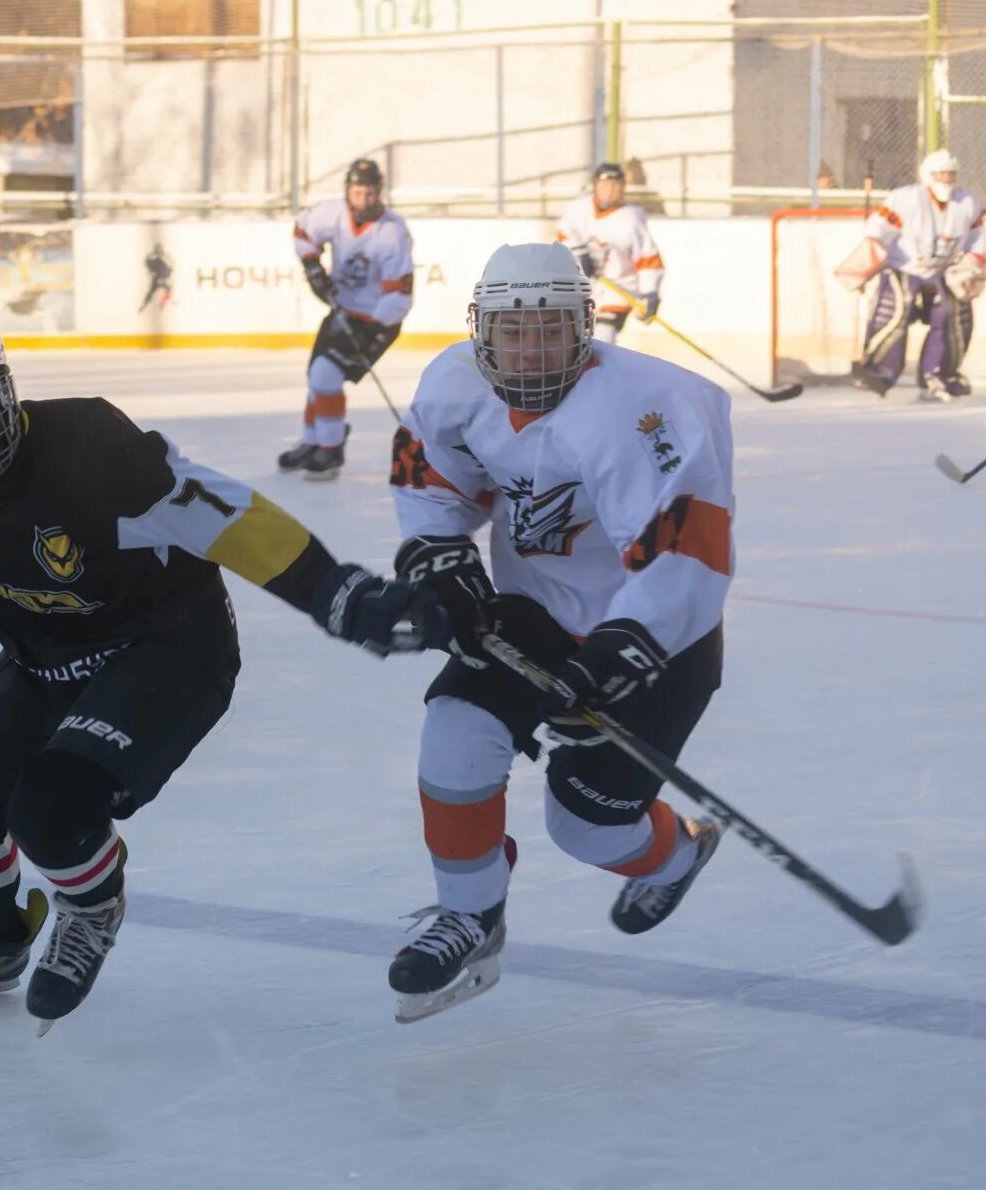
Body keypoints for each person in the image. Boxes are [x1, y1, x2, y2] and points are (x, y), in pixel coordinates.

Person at [0, 304, 449, 1031]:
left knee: (53, 808)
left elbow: (222, 515)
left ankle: (91, 904)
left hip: (171, 647)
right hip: (43, 663)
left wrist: (329, 589)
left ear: (4, 393)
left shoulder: (90, 447)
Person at [383, 242, 733, 1024]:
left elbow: (690, 550)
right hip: (534, 611)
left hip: (656, 637)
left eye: (551, 328)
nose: (532, 348)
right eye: (514, 330)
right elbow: (432, 479)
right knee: (454, 731)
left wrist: (621, 652)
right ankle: (470, 915)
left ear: (585, 326)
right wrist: (439, 552)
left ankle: (679, 851)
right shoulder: (454, 383)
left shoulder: (645, 409)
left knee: (586, 828)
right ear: (483, 330)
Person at [277, 158, 415, 481]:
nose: (363, 200)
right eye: (357, 192)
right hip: (343, 310)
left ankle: (331, 449)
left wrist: (374, 332)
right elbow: (302, 229)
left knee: (325, 375)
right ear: (348, 192)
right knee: (317, 376)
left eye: (369, 193)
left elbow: (400, 293)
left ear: (378, 193)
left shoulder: (392, 232)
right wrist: (313, 267)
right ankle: (313, 442)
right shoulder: (333, 213)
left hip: (376, 320)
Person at [841, 150, 986, 401]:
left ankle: (941, 375)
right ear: (928, 175)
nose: (947, 179)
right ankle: (878, 372)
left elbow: (977, 238)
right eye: (942, 174)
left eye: (952, 174)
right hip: (903, 268)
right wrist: (865, 264)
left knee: (953, 317)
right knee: (894, 313)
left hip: (944, 272)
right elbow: (878, 231)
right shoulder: (904, 199)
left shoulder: (967, 202)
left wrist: (972, 263)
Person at [555, 161, 665, 344]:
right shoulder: (579, 209)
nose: (610, 190)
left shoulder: (631, 218)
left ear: (623, 188)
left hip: (618, 291)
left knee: (602, 344)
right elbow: (563, 236)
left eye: (616, 184)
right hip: (583, 290)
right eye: (605, 184)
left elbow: (649, 260)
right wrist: (578, 254)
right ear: (595, 185)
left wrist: (650, 294)